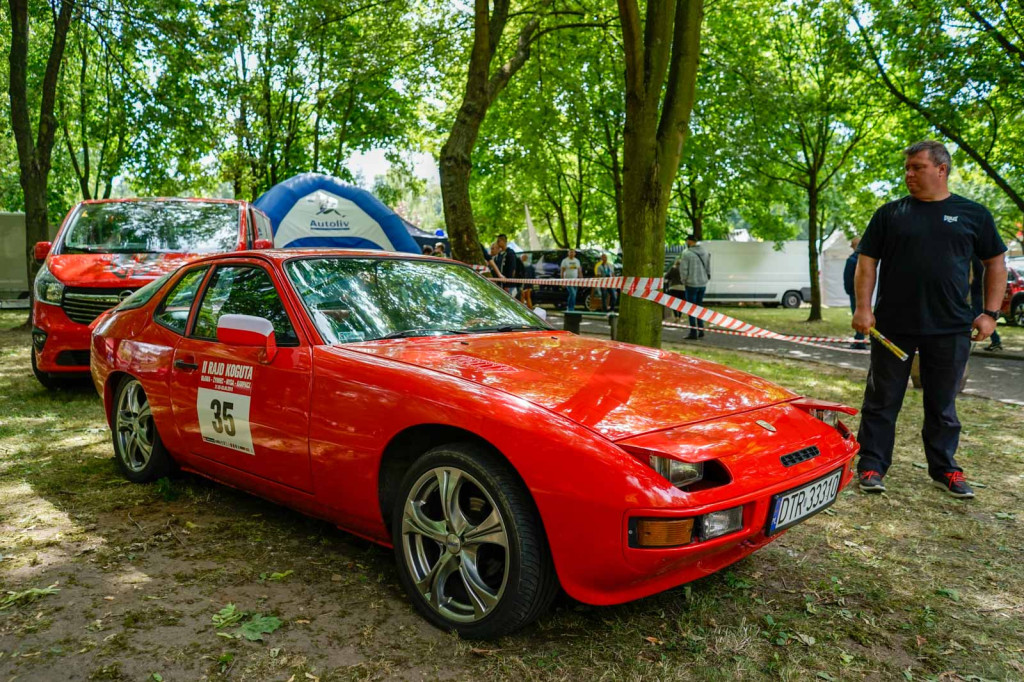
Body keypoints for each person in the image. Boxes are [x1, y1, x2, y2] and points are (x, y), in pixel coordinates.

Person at [853, 140, 1006, 499]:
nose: (908, 174)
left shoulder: (974, 214)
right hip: (892, 325)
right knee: (882, 399)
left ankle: (945, 469)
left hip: (951, 327)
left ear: (942, 169)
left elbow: (995, 263)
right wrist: (863, 307)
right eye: (906, 168)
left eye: (917, 167)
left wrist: (991, 313)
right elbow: (867, 262)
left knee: (942, 404)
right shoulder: (890, 214)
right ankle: (871, 465)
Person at [679, 234, 711, 339]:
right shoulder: (705, 252)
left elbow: (683, 269)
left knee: (691, 308)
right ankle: (701, 330)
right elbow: (708, 267)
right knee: (699, 306)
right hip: (702, 283)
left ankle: (693, 332)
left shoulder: (686, 253)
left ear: (689, 241)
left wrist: (684, 281)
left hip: (691, 284)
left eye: (687, 241)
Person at [972, 255, 1003, 351]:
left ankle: (996, 340)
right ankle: (996, 341)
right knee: (979, 315)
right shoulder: (981, 257)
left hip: (977, 291)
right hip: (978, 290)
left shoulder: (974, 256)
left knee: (979, 315)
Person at [844, 236, 868, 350]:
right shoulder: (862, 260)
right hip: (859, 292)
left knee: (857, 314)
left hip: (855, 292)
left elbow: (848, 278)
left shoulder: (853, 260)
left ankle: (860, 340)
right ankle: (860, 338)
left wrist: (849, 290)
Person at [494, 234, 519, 298]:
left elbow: (512, 269)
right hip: (500, 283)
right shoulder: (499, 254)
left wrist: (508, 284)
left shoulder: (510, 253)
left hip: (508, 284)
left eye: (498, 241)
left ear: (503, 241)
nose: (497, 243)